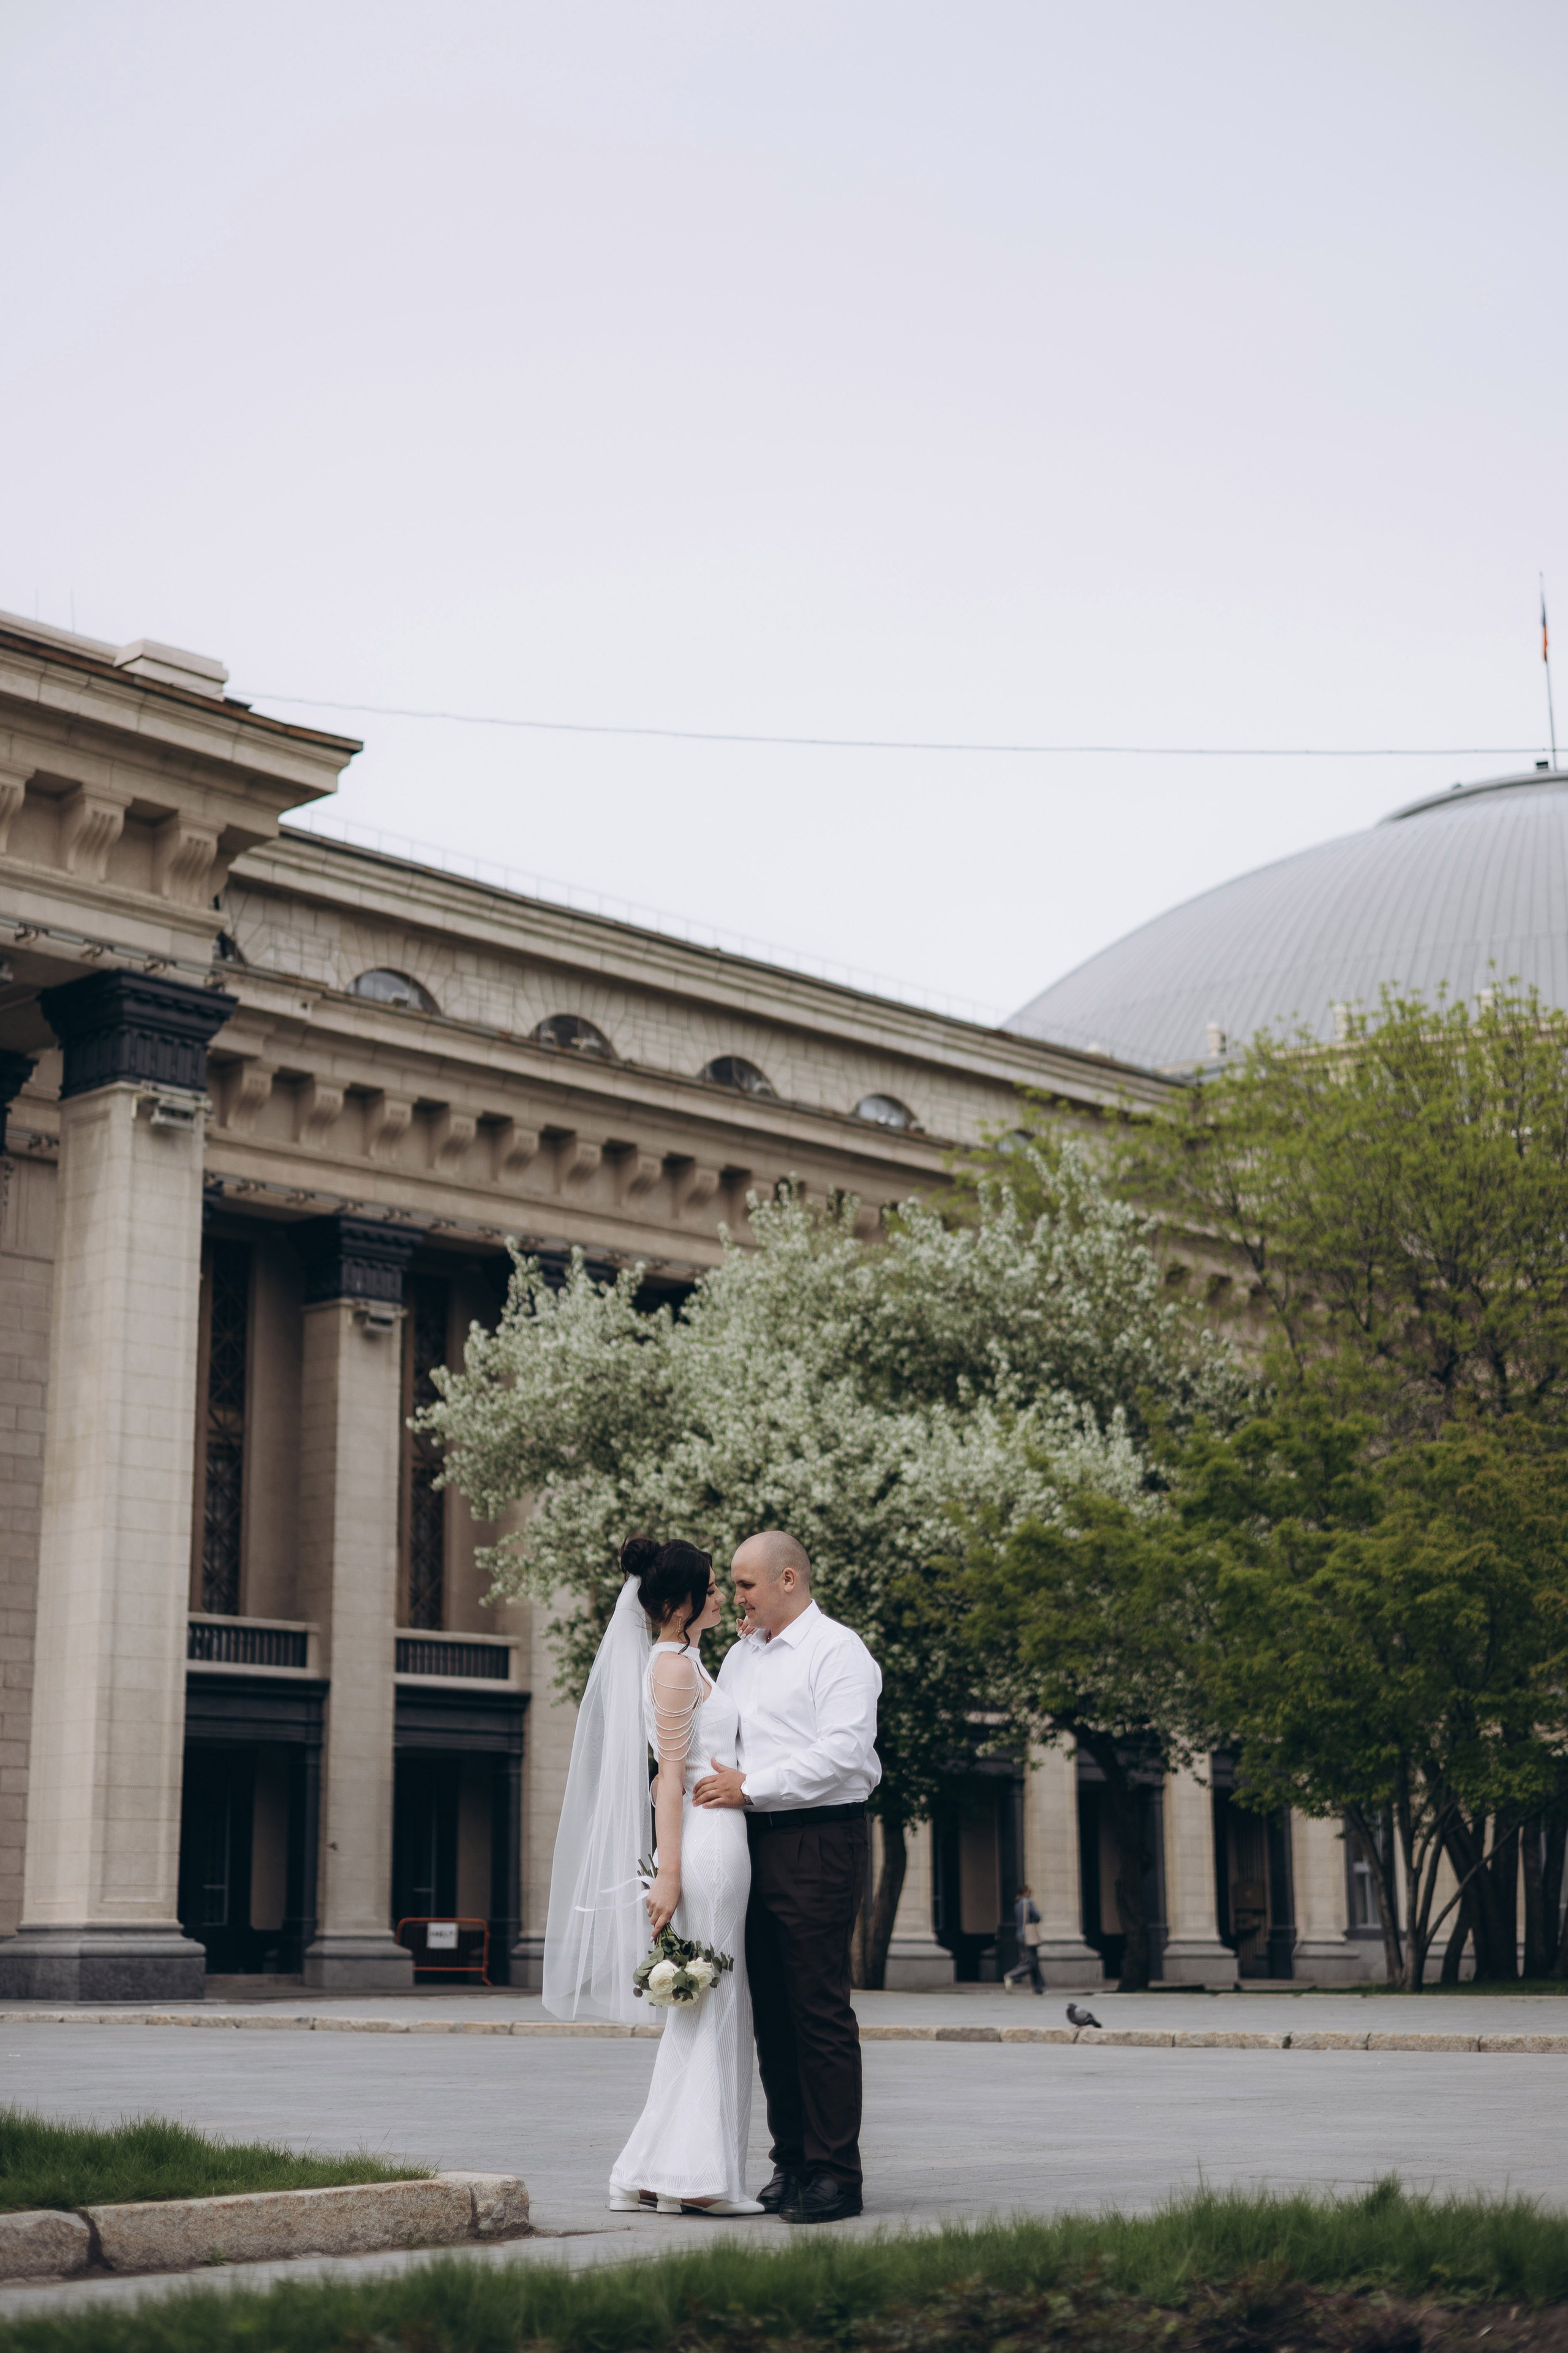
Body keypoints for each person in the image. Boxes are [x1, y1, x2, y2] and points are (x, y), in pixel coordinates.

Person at [542, 1535, 762, 2217]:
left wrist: (746, 1641)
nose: (724, 1595)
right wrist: (667, 1874)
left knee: (705, 2010)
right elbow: (668, 1779)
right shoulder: (671, 1667)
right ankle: (694, 2178)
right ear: (678, 1604)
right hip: (705, 1843)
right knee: (715, 2006)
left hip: (717, 1835)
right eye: (712, 1587)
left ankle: (653, 2170)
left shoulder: (685, 1659)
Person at [693, 1530, 881, 2226]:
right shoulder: (743, 1655)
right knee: (769, 2010)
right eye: (734, 1586)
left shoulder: (839, 1650)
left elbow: (843, 1752)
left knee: (817, 2008)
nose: (736, 1597)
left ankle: (837, 2174)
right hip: (752, 1843)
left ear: (789, 1578)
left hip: (819, 1839)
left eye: (744, 1584)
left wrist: (753, 1786)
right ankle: (792, 2161)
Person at [1004, 1883, 1045, 1995]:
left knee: (1033, 1961)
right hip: (1028, 1935)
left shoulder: (1017, 1904)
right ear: (1026, 1892)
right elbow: (1037, 1917)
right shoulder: (1028, 1902)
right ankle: (1011, 1976)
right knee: (1030, 1962)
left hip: (1020, 1934)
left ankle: (1039, 1987)